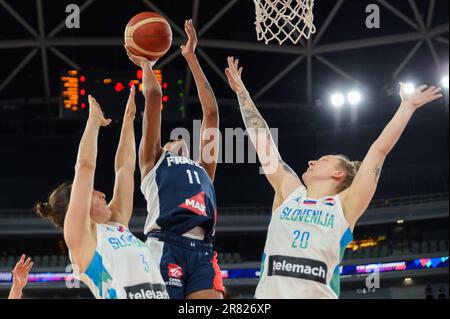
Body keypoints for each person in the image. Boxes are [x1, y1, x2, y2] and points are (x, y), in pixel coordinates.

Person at [225, 56, 443, 299]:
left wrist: (407, 107)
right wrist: (242, 94)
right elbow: (262, 140)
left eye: (323, 160)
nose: (311, 161)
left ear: (338, 173)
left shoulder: (345, 206)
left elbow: (378, 151)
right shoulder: (289, 191)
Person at [35, 88, 168, 299]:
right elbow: (85, 167)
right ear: (78, 205)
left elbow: (125, 168)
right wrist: (93, 121)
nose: (102, 194)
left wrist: (129, 120)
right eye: (94, 193)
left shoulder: (116, 224)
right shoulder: (82, 240)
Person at [125, 19, 224, 299]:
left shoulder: (204, 169)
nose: (178, 141)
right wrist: (146, 65)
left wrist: (191, 56)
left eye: (181, 140)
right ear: (163, 147)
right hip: (165, 245)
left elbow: (212, 114)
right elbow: (154, 95)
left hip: (203, 251)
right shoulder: (153, 162)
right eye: (171, 140)